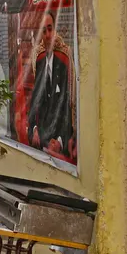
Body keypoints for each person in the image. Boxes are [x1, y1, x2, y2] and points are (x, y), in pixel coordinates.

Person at [28, 10, 75, 160]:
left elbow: (69, 109)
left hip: (59, 139)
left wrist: (60, 142)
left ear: (55, 30)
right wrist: (34, 130)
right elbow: (35, 104)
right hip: (41, 139)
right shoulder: (39, 61)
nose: (47, 35)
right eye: (43, 31)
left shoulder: (63, 62)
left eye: (50, 29)